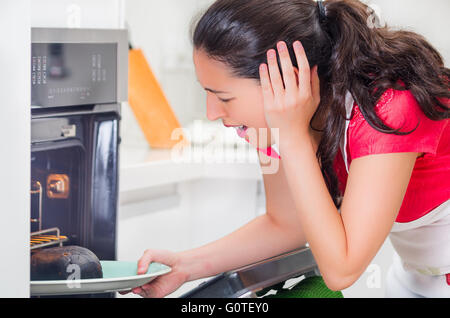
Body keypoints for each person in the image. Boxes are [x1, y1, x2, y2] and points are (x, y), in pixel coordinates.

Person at [126, 0, 450, 298]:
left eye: (224, 97)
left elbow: (341, 269)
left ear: (285, 81)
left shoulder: (388, 106)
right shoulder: (281, 123)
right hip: (416, 275)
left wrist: (293, 139)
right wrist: (184, 267)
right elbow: (285, 225)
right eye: (207, 93)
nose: (212, 112)